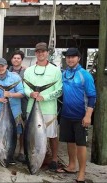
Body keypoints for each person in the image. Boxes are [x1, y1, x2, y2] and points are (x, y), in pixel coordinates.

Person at [56, 48, 96, 183]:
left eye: (73, 57)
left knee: (81, 144)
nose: (70, 59)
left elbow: (92, 96)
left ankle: (82, 173)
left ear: (79, 58)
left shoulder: (85, 75)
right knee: (70, 142)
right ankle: (72, 166)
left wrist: (88, 115)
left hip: (81, 116)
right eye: (68, 57)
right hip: (66, 114)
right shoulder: (64, 73)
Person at [23, 42, 62, 171]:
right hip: (31, 108)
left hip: (49, 108)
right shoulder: (28, 71)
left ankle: (54, 159)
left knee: (52, 135)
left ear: (47, 53)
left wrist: (44, 97)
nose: (41, 54)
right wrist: (31, 93)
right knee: (31, 135)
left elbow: (59, 90)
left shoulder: (55, 70)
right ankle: (33, 157)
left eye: (43, 51)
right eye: (38, 52)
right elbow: (25, 88)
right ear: (35, 53)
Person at [0, 58, 24, 164]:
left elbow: (22, 93)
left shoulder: (15, 77)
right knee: (1, 133)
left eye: (2, 66)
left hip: (15, 112)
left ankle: (15, 154)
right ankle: (0, 152)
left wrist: (10, 94)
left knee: (16, 134)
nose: (0, 68)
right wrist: (1, 99)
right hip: (1, 112)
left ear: (6, 66)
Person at [8, 50, 28, 162]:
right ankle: (10, 150)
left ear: (21, 60)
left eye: (18, 58)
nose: (16, 60)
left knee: (22, 129)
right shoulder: (7, 70)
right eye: (14, 58)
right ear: (11, 60)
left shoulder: (26, 71)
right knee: (11, 128)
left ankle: (21, 151)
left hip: (23, 102)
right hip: (11, 104)